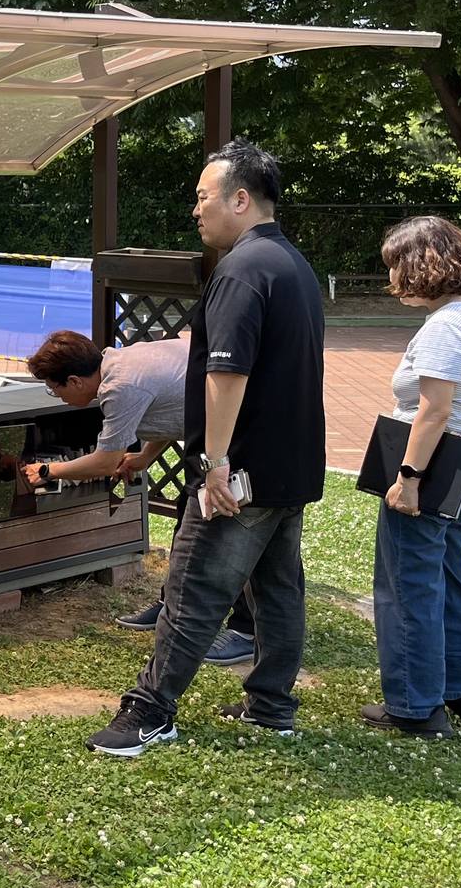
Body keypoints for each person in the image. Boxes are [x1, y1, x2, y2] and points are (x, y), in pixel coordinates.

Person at [88, 139, 326, 757]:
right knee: (277, 589)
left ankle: (150, 712)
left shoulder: (242, 271)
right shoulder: (293, 265)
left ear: (240, 199)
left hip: (239, 473)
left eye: (202, 198)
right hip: (290, 466)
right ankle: (271, 706)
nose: (195, 210)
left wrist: (215, 464)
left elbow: (227, 373)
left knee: (193, 590)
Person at [25, 330, 255, 666]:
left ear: (74, 381)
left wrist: (49, 471)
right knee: (190, 521)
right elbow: (174, 405)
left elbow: (105, 462)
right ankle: (172, 607)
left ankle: (247, 632)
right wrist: (145, 457)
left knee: (240, 533)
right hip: (213, 435)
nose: (56, 397)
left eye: (54, 389)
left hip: (240, 435)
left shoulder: (119, 387)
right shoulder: (121, 360)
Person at [365, 216, 461, 739]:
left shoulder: (446, 327)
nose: (391, 280)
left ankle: (415, 707)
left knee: (409, 589)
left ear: (420, 266)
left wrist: (408, 477)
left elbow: (435, 410)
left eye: (395, 267)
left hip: (430, 477)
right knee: (453, 582)